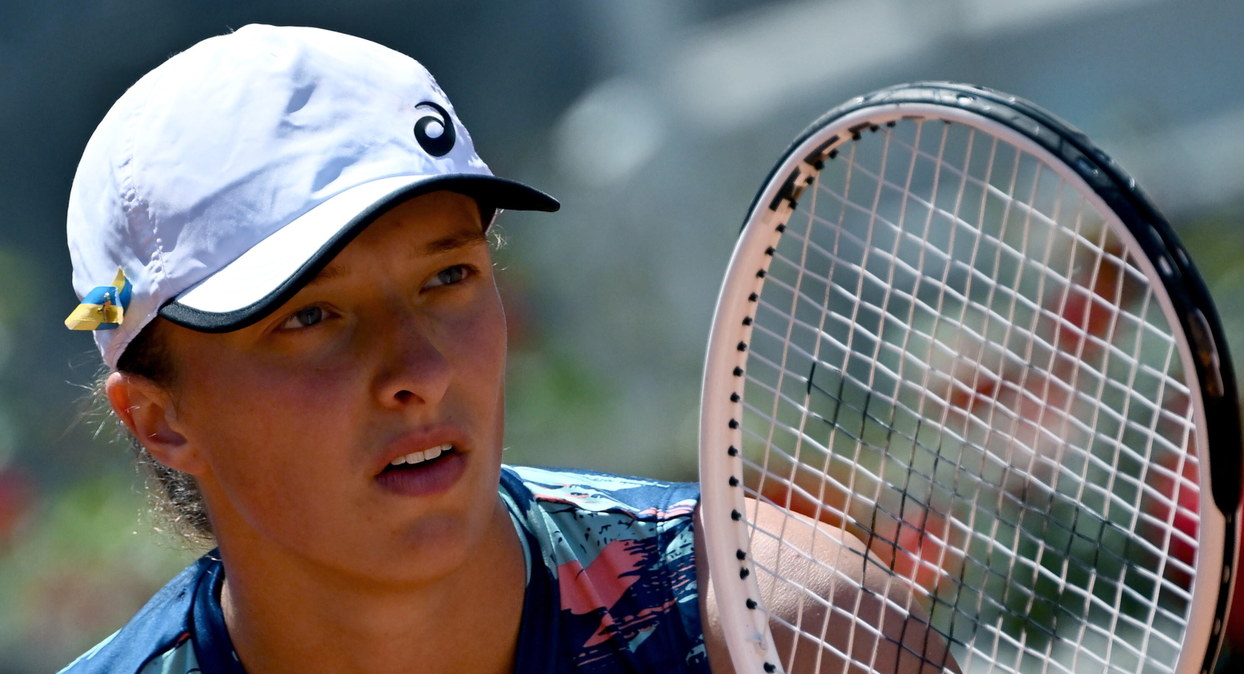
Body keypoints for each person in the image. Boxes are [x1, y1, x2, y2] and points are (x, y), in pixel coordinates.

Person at [60, 24, 952, 673]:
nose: (419, 371)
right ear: (160, 418)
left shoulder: (788, 627)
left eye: (445, 279)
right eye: (310, 319)